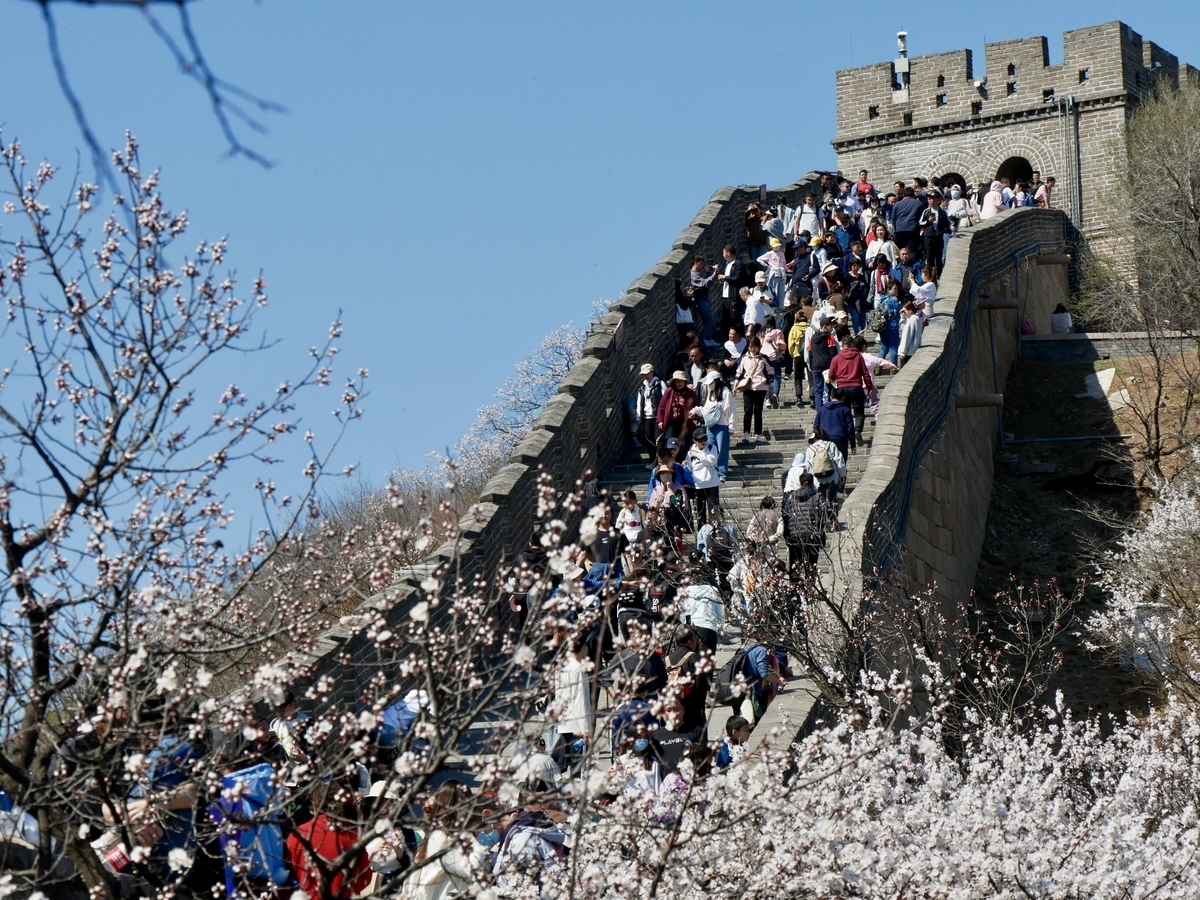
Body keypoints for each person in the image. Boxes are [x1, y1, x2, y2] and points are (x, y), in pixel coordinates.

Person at [286, 780, 372, 900]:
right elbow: (365, 877)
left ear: (314, 804)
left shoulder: (298, 834)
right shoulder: (353, 835)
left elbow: (292, 872)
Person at [665, 625, 712, 742]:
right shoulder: (696, 658)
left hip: (673, 706)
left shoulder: (667, 659)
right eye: (695, 641)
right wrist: (701, 708)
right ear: (689, 641)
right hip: (692, 707)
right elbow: (701, 685)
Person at [552, 636, 592, 772]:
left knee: (565, 766)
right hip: (577, 728)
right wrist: (586, 729)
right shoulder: (579, 668)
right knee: (579, 769)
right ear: (584, 646)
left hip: (564, 725)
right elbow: (579, 700)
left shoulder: (561, 667)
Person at [729, 632, 785, 726]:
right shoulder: (761, 650)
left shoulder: (747, 647)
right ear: (761, 635)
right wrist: (778, 681)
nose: (771, 636)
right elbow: (764, 673)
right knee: (753, 721)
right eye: (769, 634)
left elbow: (765, 667)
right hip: (753, 691)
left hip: (739, 688)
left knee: (740, 720)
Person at [782, 472, 830, 578]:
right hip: (812, 535)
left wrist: (786, 534)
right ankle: (810, 588)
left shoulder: (790, 497)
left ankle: (795, 588)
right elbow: (824, 514)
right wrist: (821, 535)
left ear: (800, 483)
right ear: (812, 483)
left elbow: (785, 516)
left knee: (795, 564)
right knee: (811, 565)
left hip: (794, 535)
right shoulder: (818, 496)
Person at [825, 333, 872, 435]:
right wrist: (869, 387)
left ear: (842, 345)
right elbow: (865, 373)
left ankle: (847, 432)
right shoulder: (858, 357)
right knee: (859, 411)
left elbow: (831, 375)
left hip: (842, 388)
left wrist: (833, 379)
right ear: (852, 344)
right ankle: (858, 430)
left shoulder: (836, 358)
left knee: (845, 412)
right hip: (856, 387)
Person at [733, 336, 773, 444]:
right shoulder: (744, 358)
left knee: (758, 411)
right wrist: (735, 386)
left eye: (755, 346)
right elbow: (739, 373)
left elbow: (770, 372)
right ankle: (746, 433)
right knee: (748, 410)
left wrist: (771, 386)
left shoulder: (764, 358)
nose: (752, 349)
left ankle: (758, 434)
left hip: (761, 387)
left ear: (759, 347)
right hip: (748, 387)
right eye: (751, 346)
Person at [700, 371, 735, 481]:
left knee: (722, 450)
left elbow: (732, 410)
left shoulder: (726, 393)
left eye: (711, 382)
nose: (709, 385)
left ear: (716, 381)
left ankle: (721, 472)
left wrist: (731, 426)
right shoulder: (711, 393)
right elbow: (706, 409)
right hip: (710, 425)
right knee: (710, 448)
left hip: (722, 426)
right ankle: (712, 471)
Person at [677, 576, 725, 654]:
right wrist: (721, 630)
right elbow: (720, 612)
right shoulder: (713, 590)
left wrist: (684, 626)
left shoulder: (685, 591)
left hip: (691, 628)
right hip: (709, 628)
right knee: (709, 660)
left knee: (692, 659)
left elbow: (681, 612)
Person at [685, 424, 720, 527]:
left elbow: (712, 461)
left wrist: (698, 455)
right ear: (695, 440)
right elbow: (689, 469)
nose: (703, 442)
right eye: (700, 440)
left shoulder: (711, 447)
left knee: (714, 512)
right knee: (700, 514)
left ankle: (715, 533)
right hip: (698, 486)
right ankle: (702, 536)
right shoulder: (690, 452)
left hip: (712, 484)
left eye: (704, 438)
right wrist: (685, 465)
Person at [656, 370, 698, 455]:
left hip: (685, 423)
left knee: (684, 444)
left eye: (681, 381)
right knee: (670, 444)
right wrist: (660, 421)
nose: (679, 383)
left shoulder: (690, 393)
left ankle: (683, 463)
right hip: (671, 422)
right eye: (677, 381)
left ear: (684, 382)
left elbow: (697, 407)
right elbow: (661, 407)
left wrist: (694, 415)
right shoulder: (669, 391)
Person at [805, 425, 846, 509]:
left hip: (818, 479)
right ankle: (833, 519)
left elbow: (808, 467)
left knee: (821, 501)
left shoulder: (810, 449)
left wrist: (810, 481)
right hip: (832, 476)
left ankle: (823, 519)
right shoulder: (831, 445)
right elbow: (839, 460)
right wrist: (842, 475)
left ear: (814, 437)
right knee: (833, 500)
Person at [805, 314, 838, 410]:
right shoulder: (829, 338)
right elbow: (833, 354)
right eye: (830, 326)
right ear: (825, 326)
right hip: (828, 367)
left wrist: (810, 364)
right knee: (831, 388)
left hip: (816, 366)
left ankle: (819, 410)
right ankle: (832, 408)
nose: (832, 328)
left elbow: (810, 352)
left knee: (818, 391)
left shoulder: (813, 338)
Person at [815, 387, 856, 460]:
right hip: (840, 439)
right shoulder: (845, 409)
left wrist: (817, 439)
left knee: (826, 464)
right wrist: (853, 444)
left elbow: (816, 425)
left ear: (830, 397)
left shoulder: (822, 409)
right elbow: (850, 428)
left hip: (824, 440)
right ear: (843, 398)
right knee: (841, 464)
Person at [634, 363, 663, 465]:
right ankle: (653, 462)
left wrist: (662, 416)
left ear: (652, 372)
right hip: (647, 417)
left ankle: (661, 461)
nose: (645, 376)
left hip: (658, 416)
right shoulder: (642, 387)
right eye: (643, 374)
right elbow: (639, 402)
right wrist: (639, 417)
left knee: (658, 439)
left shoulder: (659, 384)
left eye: (647, 374)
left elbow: (664, 400)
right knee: (649, 439)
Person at [919, 191, 951, 280]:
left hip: (938, 236)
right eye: (929, 199)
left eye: (932, 199)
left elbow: (948, 223)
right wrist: (928, 221)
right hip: (928, 236)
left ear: (937, 200)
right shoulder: (926, 211)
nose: (930, 200)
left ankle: (940, 275)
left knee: (939, 256)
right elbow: (920, 223)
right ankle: (930, 276)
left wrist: (947, 229)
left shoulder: (942, 212)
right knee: (929, 257)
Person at [686, 255, 717, 343]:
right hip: (700, 300)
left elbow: (710, 283)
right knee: (709, 319)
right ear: (696, 263)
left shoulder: (698, 274)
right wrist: (714, 274)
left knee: (706, 320)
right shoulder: (692, 274)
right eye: (701, 263)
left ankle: (709, 339)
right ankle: (702, 340)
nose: (703, 265)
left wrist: (707, 271)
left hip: (705, 299)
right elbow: (703, 283)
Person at [759, 315, 788, 407]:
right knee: (777, 376)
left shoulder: (761, 333)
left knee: (766, 378)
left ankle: (767, 398)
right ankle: (775, 394)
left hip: (764, 357)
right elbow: (782, 345)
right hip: (774, 357)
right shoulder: (778, 332)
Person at [891, 186, 925, 256]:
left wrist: (896, 228)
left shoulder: (897, 204)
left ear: (903, 195)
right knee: (912, 251)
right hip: (913, 230)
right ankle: (912, 266)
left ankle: (901, 266)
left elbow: (893, 219)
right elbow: (923, 218)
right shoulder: (919, 203)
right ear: (914, 195)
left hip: (899, 230)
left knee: (900, 252)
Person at [876, 284, 903, 366]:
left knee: (884, 348)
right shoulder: (894, 299)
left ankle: (878, 366)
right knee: (893, 347)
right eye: (894, 288)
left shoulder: (882, 299)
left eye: (897, 289)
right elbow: (897, 314)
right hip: (892, 326)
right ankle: (893, 367)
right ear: (889, 290)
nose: (896, 290)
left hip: (882, 327)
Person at [787, 311, 809, 405]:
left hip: (797, 354)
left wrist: (792, 354)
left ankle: (799, 397)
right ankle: (812, 396)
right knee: (811, 377)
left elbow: (790, 343)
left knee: (798, 377)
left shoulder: (794, 328)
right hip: (809, 354)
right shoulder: (810, 327)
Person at [898, 300, 923, 367]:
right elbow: (903, 329)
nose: (903, 313)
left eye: (904, 311)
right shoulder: (917, 319)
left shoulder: (911, 320)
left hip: (908, 353)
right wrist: (903, 317)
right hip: (914, 350)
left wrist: (902, 352)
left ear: (910, 310)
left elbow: (906, 336)